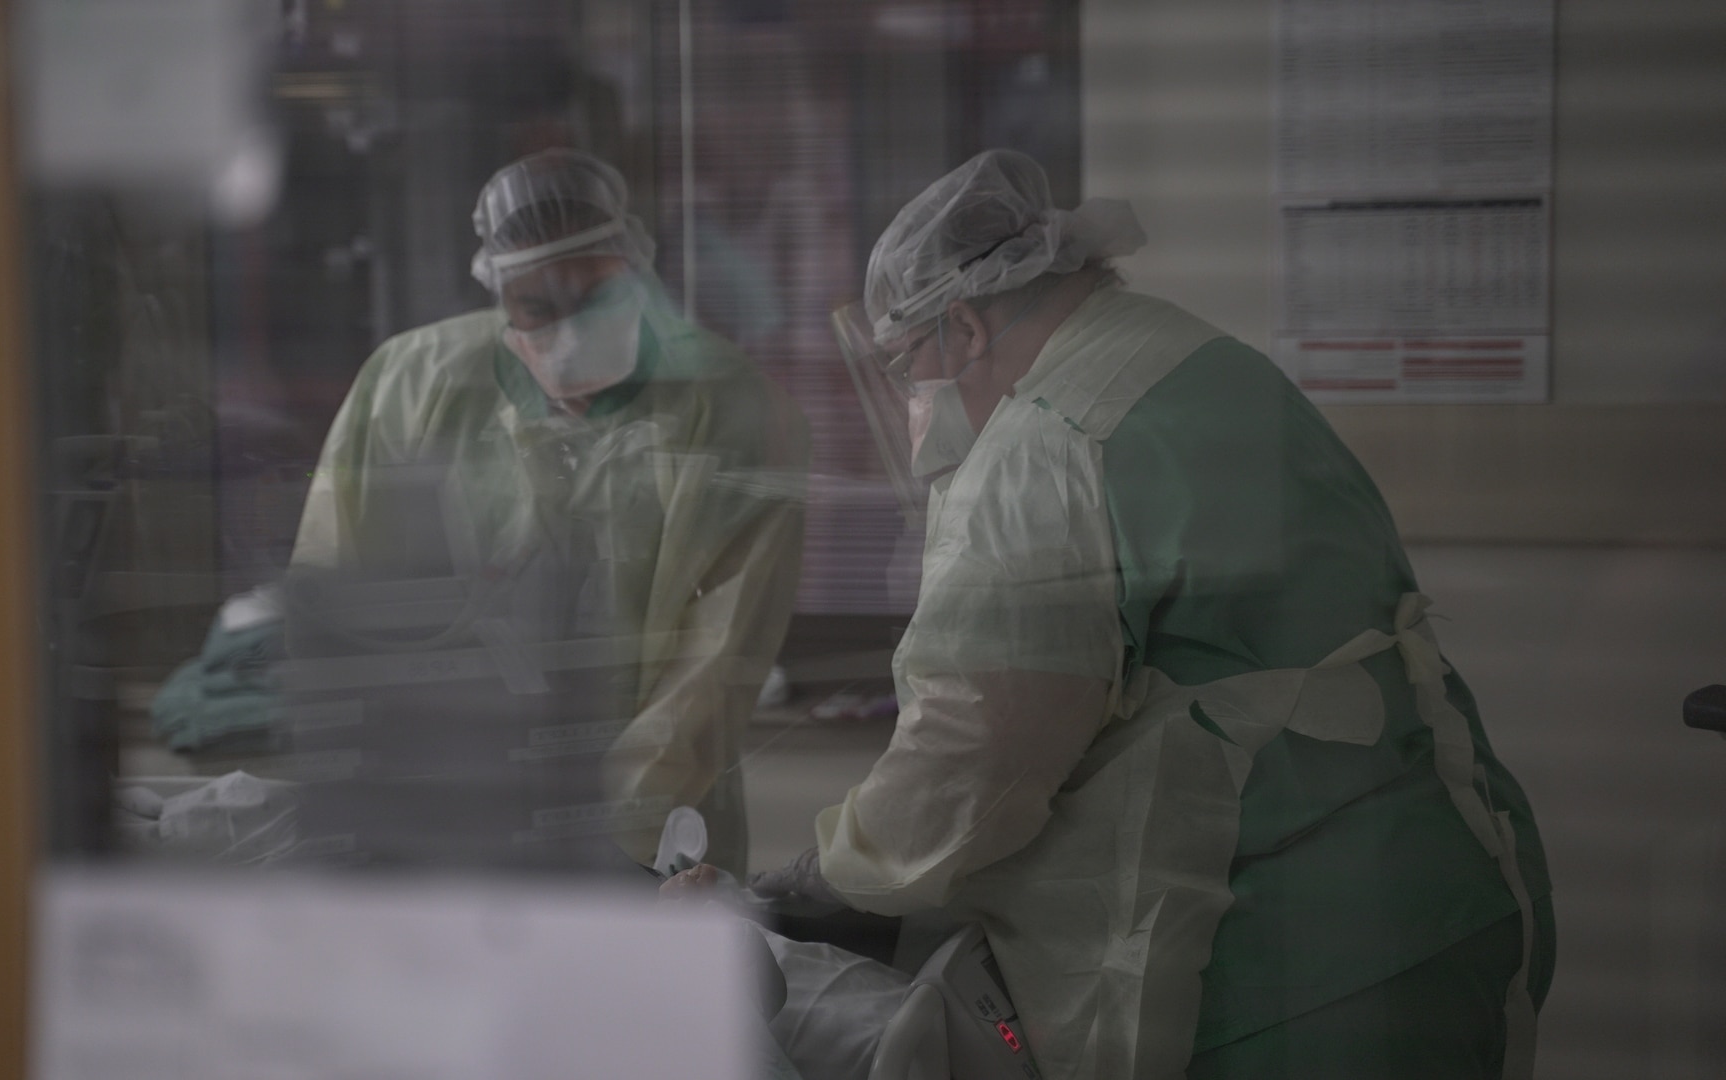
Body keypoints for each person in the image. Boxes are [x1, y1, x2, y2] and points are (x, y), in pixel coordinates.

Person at [751, 150, 1554, 1079]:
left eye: (907, 368)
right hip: (1443, 890)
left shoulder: (1042, 446)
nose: (912, 405)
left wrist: (818, 878)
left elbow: (972, 766)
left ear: (963, 327)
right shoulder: (1208, 361)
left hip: (1278, 970)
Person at [292, 149, 808, 870]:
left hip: (655, 820)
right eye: (537, 306)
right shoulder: (410, 384)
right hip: (437, 794)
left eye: (594, 298)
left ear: (635, 266)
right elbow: (340, 594)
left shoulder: (729, 407)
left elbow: (717, 660)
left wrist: (615, 826)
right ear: (498, 293)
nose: (568, 331)